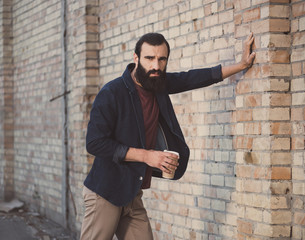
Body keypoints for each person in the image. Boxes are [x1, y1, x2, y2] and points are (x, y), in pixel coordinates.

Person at [80, 32, 255, 240]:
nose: (156, 66)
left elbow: (194, 78)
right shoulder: (112, 93)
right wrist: (148, 156)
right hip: (105, 193)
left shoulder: (157, 83)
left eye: (161, 59)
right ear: (136, 58)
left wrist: (242, 65)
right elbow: (94, 143)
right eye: (149, 58)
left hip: (131, 194)